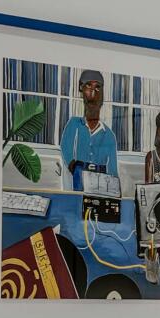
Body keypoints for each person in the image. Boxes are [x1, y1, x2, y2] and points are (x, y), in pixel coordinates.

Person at [57, 68, 120, 242]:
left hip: (97, 208)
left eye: (98, 87)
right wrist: (78, 170)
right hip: (73, 203)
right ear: (81, 90)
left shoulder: (108, 135)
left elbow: (113, 173)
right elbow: (67, 152)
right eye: (88, 86)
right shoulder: (73, 125)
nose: (93, 90)